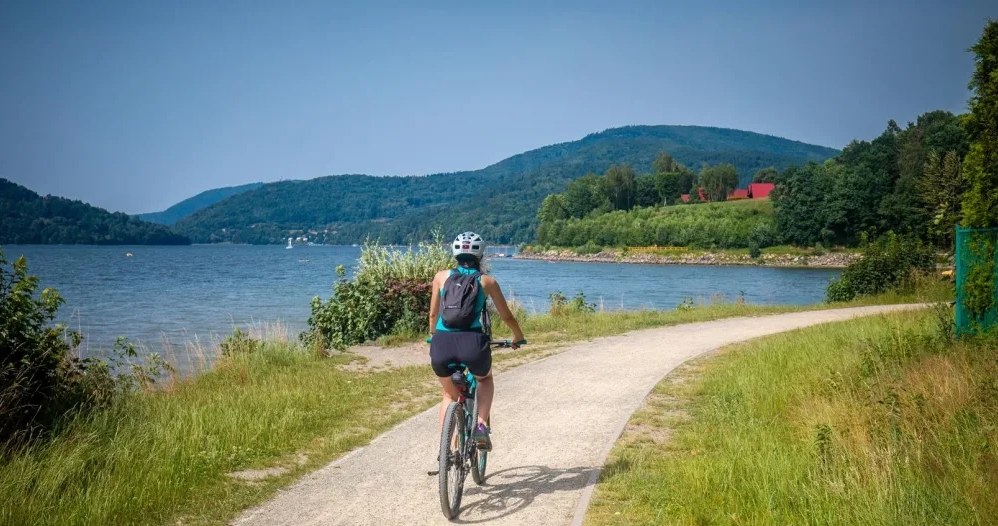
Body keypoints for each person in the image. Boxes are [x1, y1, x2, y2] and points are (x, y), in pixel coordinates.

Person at [428, 231, 525, 451]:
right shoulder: (487, 281)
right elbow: (507, 316)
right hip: (472, 344)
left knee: (448, 394)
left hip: (442, 344)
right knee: (485, 379)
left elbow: (433, 315)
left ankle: (446, 449)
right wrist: (517, 336)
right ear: (480, 256)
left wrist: (433, 335)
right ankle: (481, 427)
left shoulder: (440, 277)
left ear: (455, 253)